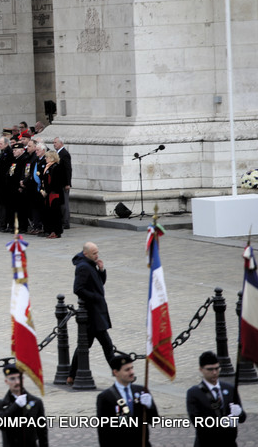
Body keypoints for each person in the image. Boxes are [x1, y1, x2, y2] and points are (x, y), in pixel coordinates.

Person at [68, 242, 114, 384]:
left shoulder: (90, 264)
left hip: (97, 312)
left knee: (85, 345)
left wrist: (101, 270)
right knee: (106, 344)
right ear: (86, 253)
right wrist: (95, 297)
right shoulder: (83, 267)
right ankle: (118, 372)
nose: (97, 255)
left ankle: (71, 375)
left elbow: (99, 283)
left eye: (97, 252)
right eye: (94, 253)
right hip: (92, 313)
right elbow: (78, 289)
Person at [187, 351, 246, 447]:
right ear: (201, 369)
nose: (214, 372)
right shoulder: (194, 393)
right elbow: (198, 422)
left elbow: (242, 418)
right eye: (210, 369)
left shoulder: (230, 389)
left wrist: (239, 413)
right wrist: (223, 422)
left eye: (217, 368)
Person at [96, 355, 158, 447]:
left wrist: (150, 406)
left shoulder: (141, 391)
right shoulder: (105, 397)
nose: (132, 372)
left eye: (132, 368)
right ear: (116, 372)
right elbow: (103, 430)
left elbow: (154, 421)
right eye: (127, 370)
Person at [0, 365, 48, 447]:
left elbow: (42, 431)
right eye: (12, 379)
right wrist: (16, 405)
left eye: (19, 378)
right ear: (6, 381)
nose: (17, 382)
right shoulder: (0, 404)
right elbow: (0, 424)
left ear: (23, 379)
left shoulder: (36, 402)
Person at [40, 150, 65, 239]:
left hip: (54, 194)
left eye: (47, 157)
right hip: (48, 193)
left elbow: (55, 182)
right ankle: (50, 230)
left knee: (55, 213)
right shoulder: (48, 167)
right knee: (49, 213)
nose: (45, 158)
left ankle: (56, 231)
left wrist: (47, 191)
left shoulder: (56, 167)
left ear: (52, 158)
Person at [54, 137, 72, 229]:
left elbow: (68, 169)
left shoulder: (64, 154)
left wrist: (67, 183)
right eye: (54, 142)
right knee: (61, 203)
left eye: (56, 142)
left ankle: (65, 222)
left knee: (64, 204)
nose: (54, 144)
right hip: (59, 183)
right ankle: (62, 220)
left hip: (64, 183)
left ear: (61, 143)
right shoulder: (58, 153)